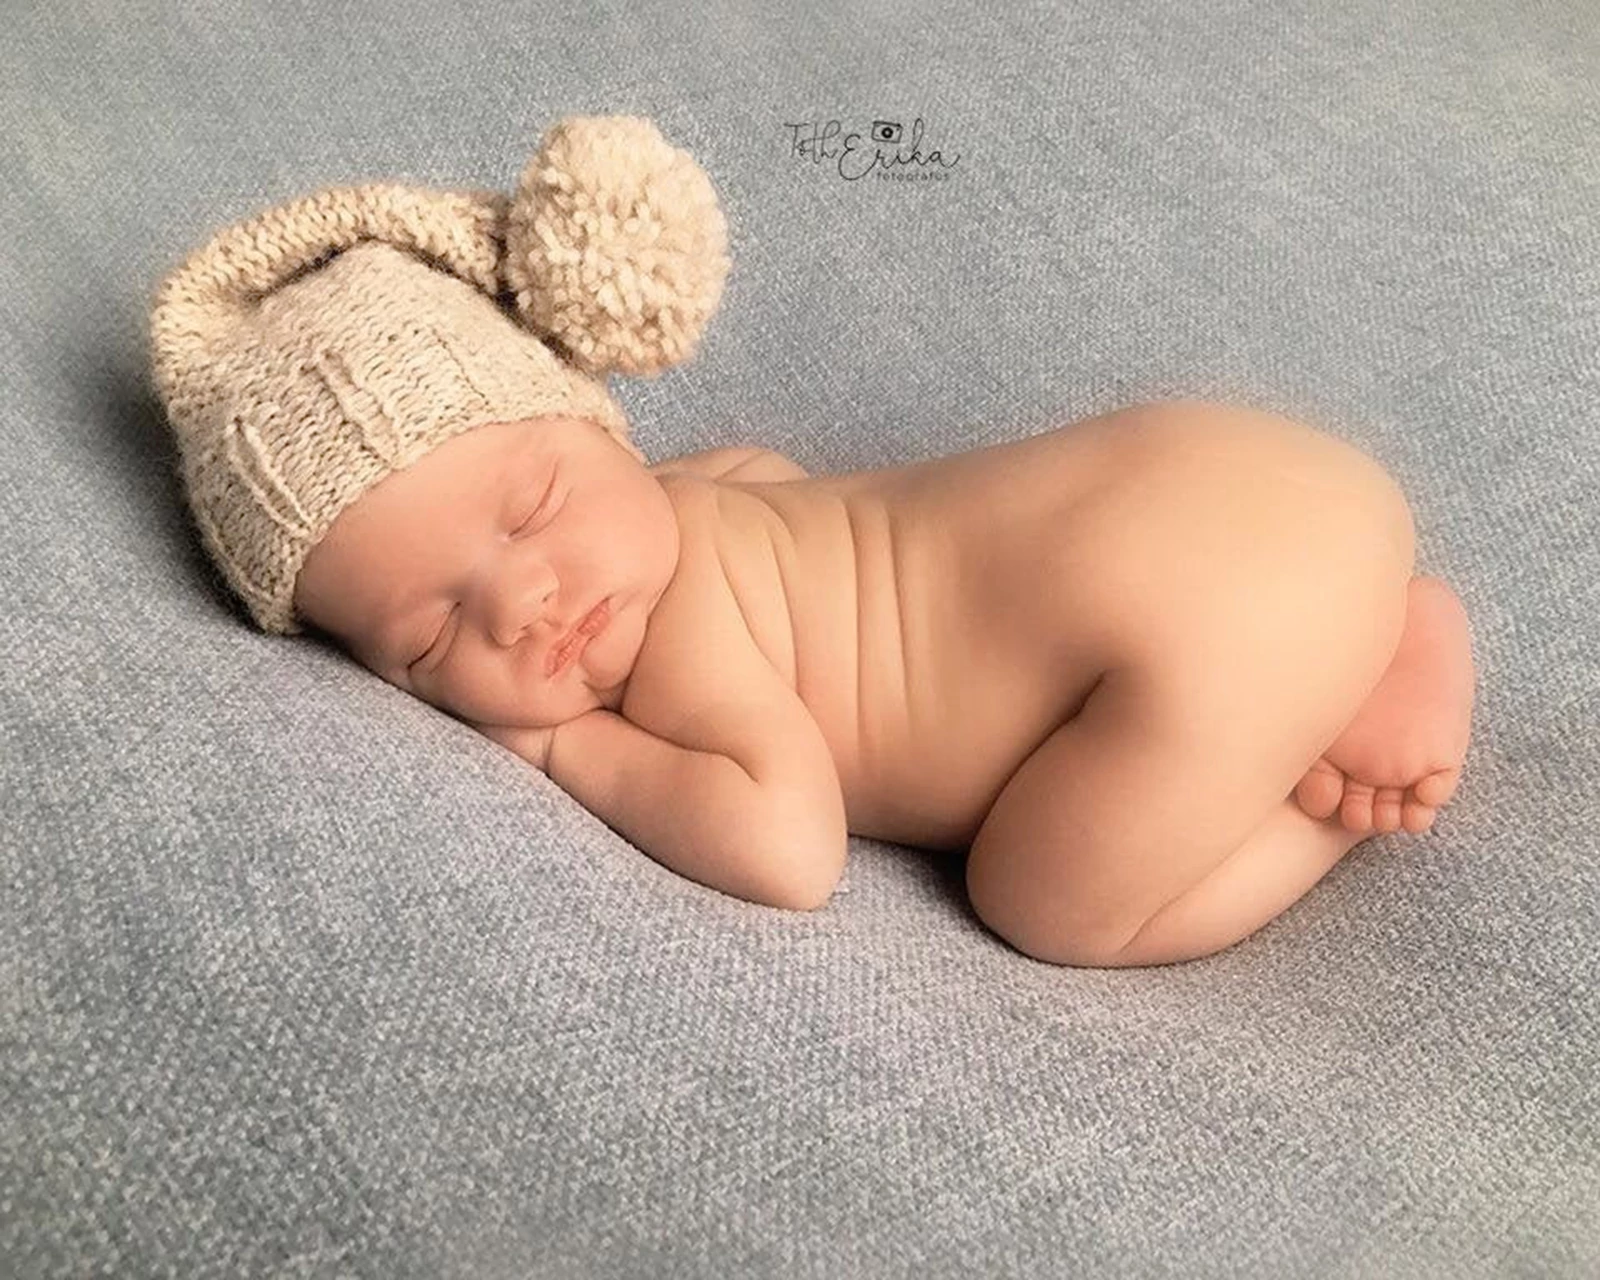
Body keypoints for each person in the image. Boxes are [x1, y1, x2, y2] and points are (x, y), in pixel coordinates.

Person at [150, 116, 1474, 968]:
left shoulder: (679, 656)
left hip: (1192, 639)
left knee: (1048, 905)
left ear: (601, 425)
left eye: (533, 507)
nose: (522, 606)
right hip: (1253, 471)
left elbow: (791, 851)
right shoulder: (699, 500)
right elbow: (768, 475)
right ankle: (1380, 617)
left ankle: (1327, 782)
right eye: (433, 634)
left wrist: (567, 747)